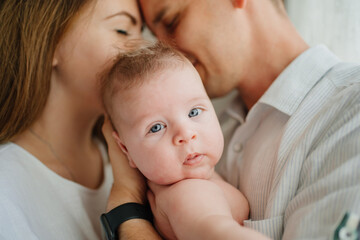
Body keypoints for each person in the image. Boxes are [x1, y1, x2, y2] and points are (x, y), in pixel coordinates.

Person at [104, 0, 360, 239]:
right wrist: (127, 195)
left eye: (172, 21)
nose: (164, 47)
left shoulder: (350, 112)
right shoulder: (209, 136)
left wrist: (127, 211)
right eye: (157, 127)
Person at [0, 0, 160, 239]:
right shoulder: (7, 188)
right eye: (122, 30)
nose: (142, 51)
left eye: (142, 35)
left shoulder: (139, 161)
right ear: (50, 42)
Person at [101, 42, 250, 239]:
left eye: (194, 112)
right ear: (125, 149)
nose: (186, 134)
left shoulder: (184, 188)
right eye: (156, 127)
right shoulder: (187, 195)